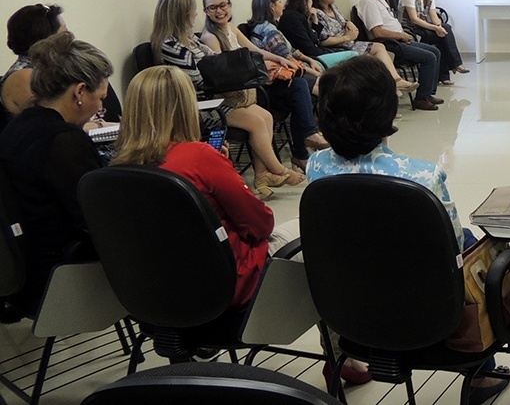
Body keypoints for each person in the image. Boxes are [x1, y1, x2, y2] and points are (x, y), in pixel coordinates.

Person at [305, 55, 509, 400]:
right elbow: (454, 247)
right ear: (387, 112)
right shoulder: (419, 175)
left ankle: (344, 358)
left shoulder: (316, 165)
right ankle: (479, 374)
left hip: (348, 303)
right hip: (426, 310)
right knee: (477, 244)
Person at [110, 65, 300, 311]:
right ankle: (339, 343)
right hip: (229, 282)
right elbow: (260, 225)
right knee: (314, 228)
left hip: (157, 293)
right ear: (186, 107)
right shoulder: (198, 157)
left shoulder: (117, 167)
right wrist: (221, 168)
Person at [151, 0, 304, 198]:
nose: (196, 14)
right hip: (196, 105)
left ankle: (262, 175)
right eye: (194, 10)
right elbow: (200, 79)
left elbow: (214, 61)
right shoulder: (170, 46)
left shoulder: (188, 39)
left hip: (213, 97)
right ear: (181, 13)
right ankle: (278, 169)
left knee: (265, 116)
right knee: (257, 122)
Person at [0, 33, 111, 311]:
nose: (101, 107)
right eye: (101, 98)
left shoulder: (18, 125)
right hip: (58, 271)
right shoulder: (63, 142)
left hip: (26, 265)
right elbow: (95, 217)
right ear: (80, 92)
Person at [201, 0, 328, 171]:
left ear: (230, 5)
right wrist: (257, 68)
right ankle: (303, 146)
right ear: (205, 11)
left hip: (252, 88)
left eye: (222, 5)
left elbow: (255, 50)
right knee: (300, 89)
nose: (219, 11)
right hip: (239, 95)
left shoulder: (231, 29)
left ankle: (304, 147)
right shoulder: (210, 37)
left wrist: (278, 59)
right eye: (212, 8)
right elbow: (225, 75)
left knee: (299, 88)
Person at [306, 0, 420, 93]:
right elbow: (323, 40)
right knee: (372, 63)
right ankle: (388, 93)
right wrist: (347, 37)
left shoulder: (333, 7)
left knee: (379, 47)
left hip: (350, 42)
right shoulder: (317, 14)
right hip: (338, 48)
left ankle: (396, 80)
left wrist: (349, 23)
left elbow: (343, 21)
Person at [356, 0, 444, 111]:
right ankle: (420, 99)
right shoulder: (369, 4)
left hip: (400, 39)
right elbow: (377, 32)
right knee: (429, 57)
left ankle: (427, 94)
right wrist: (401, 35)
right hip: (391, 44)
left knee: (435, 51)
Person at [245, 0, 324, 94]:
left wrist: (310, 61)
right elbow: (289, 60)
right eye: (280, 1)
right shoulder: (268, 30)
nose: (283, 5)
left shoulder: (268, 26)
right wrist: (316, 73)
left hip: (290, 69)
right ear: (272, 6)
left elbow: (292, 51)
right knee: (325, 84)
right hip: (281, 77)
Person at [400, 0, 468, 85]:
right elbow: (414, 19)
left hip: (424, 26)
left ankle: (449, 70)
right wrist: (435, 28)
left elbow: (433, 15)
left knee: (445, 30)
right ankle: (452, 67)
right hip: (411, 28)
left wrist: (439, 26)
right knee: (442, 36)